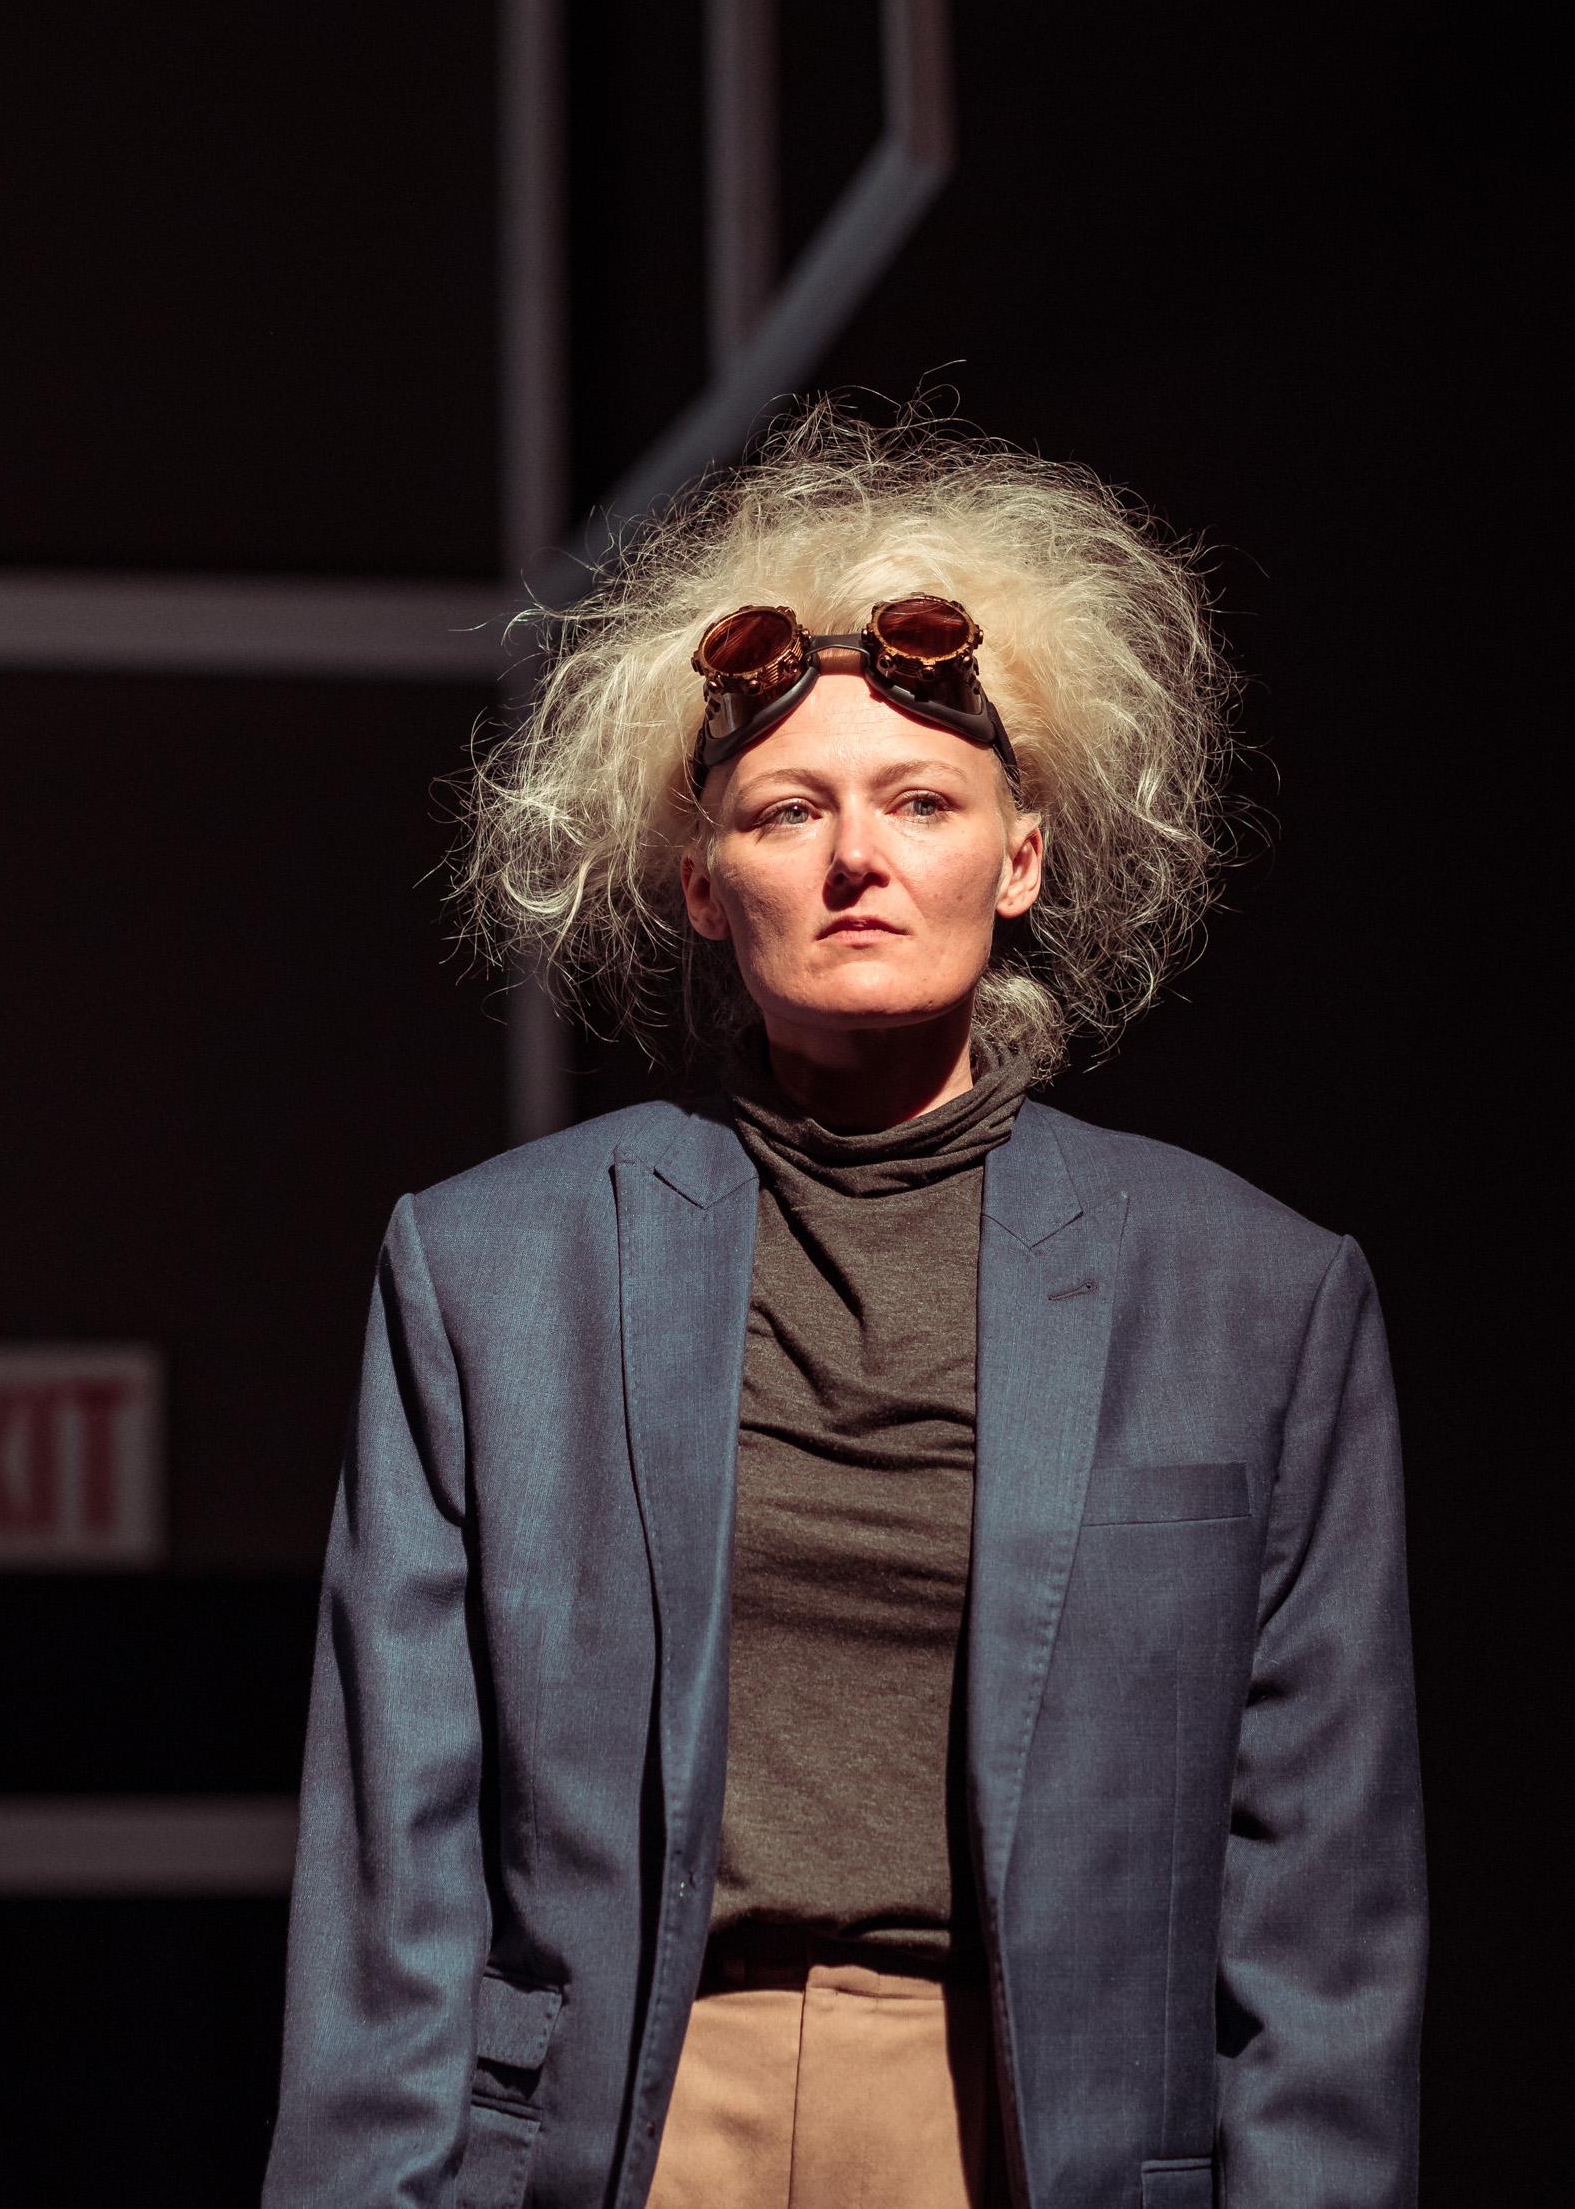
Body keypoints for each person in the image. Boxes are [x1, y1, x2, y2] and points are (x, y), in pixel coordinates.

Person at [263, 405, 1423, 2209]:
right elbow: (391, 1867)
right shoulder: (494, 1271)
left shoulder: (1252, 1293)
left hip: (1032, 2139)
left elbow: (1321, 1903)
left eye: (921, 801)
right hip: (625, 2137)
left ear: (1021, 859)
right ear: (698, 882)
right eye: (787, 809)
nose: (855, 858)